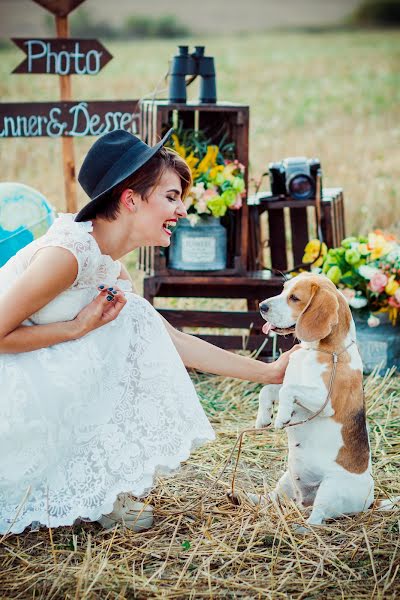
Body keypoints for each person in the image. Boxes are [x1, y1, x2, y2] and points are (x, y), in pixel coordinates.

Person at [0, 129, 297, 535]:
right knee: (125, 322)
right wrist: (76, 328)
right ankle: (93, 484)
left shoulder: (109, 265)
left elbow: (170, 340)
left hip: (36, 379)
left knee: (132, 319)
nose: (182, 211)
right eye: (171, 197)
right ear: (130, 199)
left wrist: (268, 372)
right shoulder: (66, 257)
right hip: (10, 391)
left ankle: (103, 484)